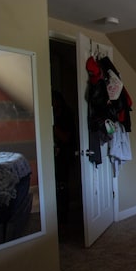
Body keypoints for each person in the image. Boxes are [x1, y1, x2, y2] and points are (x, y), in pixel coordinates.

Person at [52, 90, 75, 223]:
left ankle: (63, 221)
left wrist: (52, 127)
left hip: (64, 156)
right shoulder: (55, 113)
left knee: (62, 188)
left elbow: (66, 137)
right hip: (56, 155)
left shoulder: (66, 114)